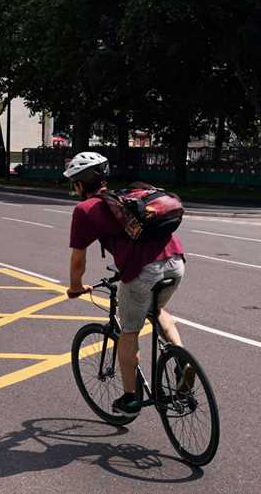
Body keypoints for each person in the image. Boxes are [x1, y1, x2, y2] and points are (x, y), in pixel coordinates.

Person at [64, 151, 186, 418]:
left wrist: (76, 287)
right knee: (158, 309)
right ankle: (181, 359)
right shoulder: (124, 197)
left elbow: (78, 258)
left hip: (143, 270)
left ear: (80, 184)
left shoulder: (85, 210)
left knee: (129, 331)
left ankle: (130, 398)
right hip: (176, 262)